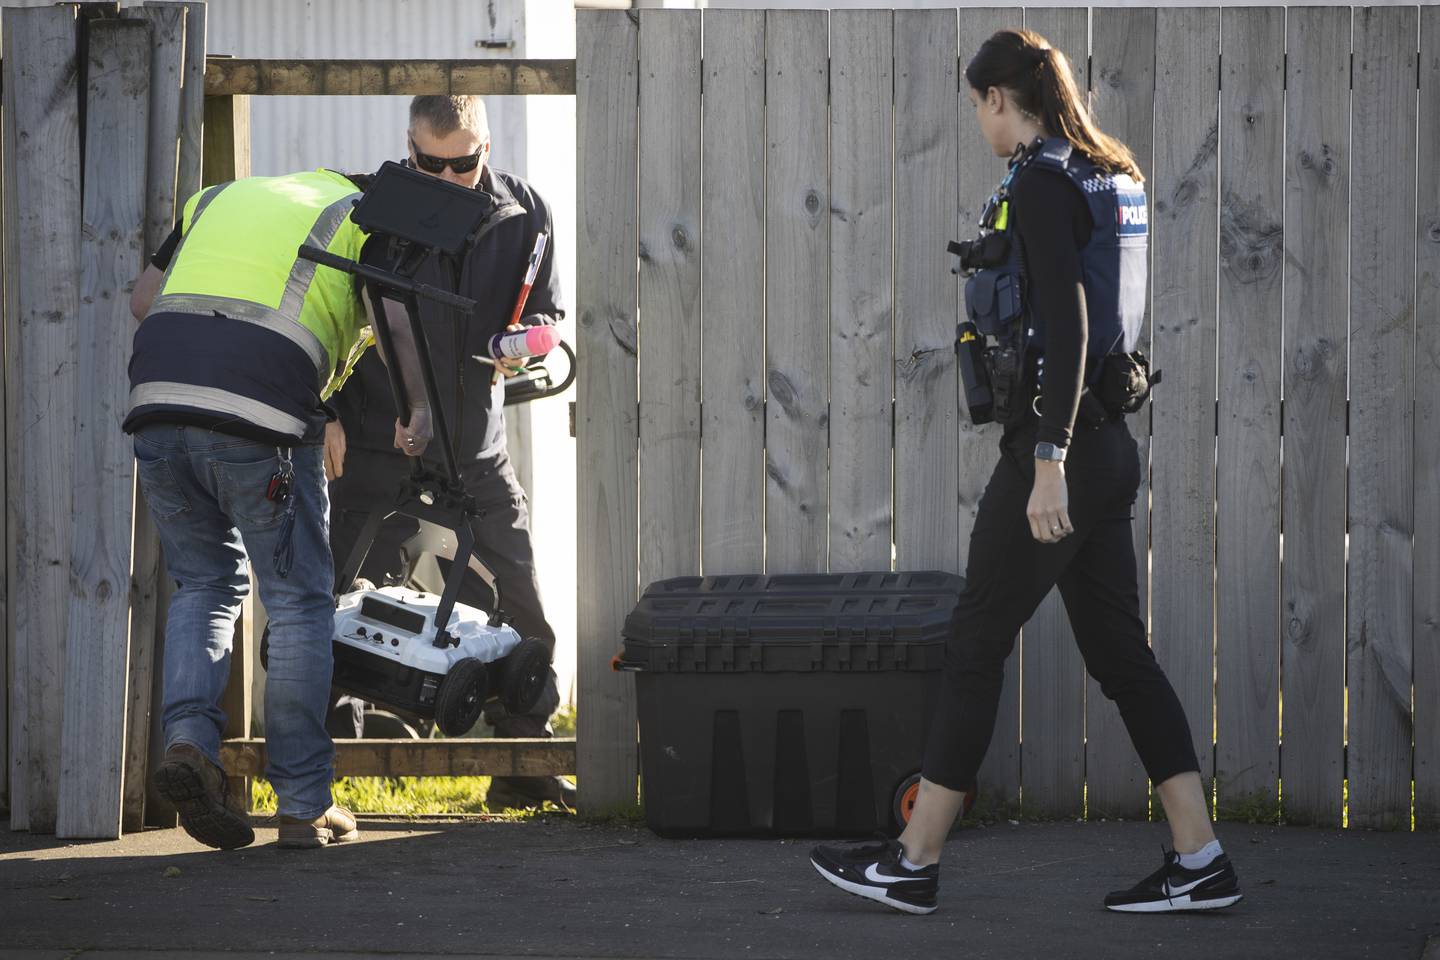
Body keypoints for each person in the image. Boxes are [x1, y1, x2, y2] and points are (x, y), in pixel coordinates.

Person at [809, 29, 1243, 915]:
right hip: (1109, 441)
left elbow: (1071, 327)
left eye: (979, 106)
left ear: (1001, 98)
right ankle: (1201, 860)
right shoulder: (1111, 171)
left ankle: (914, 861)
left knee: (975, 642)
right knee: (1122, 655)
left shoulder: (1044, 180)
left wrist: (1048, 460)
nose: (980, 122)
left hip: (1063, 449)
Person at [126, 168, 433, 850]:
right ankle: (302, 806)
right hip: (260, 411)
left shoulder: (218, 197)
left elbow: (144, 299)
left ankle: (188, 746)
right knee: (297, 602)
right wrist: (418, 408)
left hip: (157, 402)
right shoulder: (360, 217)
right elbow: (394, 319)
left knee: (204, 586)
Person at [325, 94, 573, 811]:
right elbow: (331, 315)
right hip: (378, 436)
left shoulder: (525, 212)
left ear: (486, 150)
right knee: (345, 598)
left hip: (473, 446)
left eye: (460, 164)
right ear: (408, 146)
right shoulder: (372, 207)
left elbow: (546, 310)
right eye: (426, 161)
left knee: (519, 596)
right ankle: (330, 766)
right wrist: (329, 414)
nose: (443, 175)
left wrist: (530, 343)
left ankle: (524, 757)